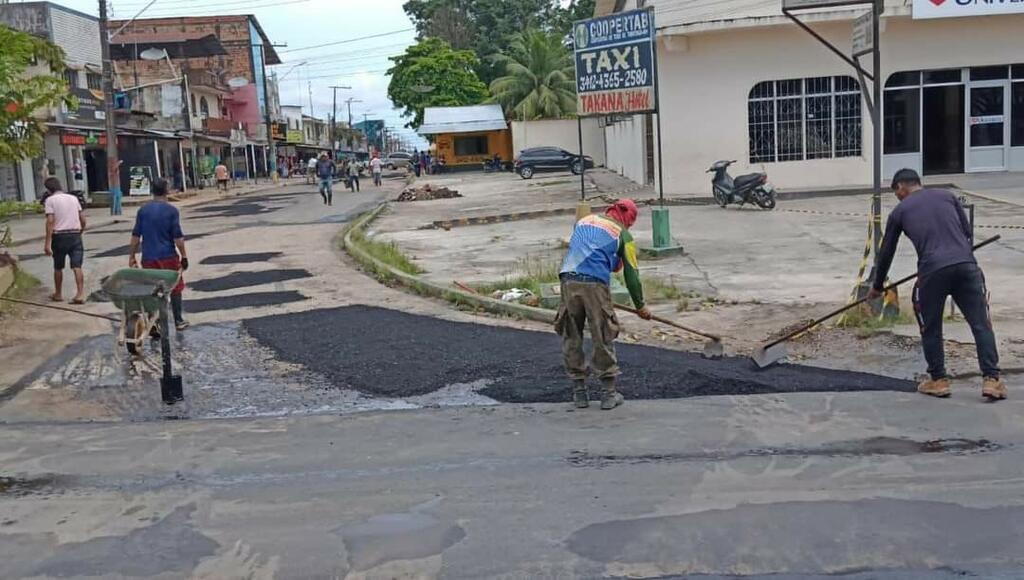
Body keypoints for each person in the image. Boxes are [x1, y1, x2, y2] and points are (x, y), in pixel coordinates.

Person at [868, 169, 1006, 401]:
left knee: (929, 325)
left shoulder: (900, 211)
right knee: (981, 324)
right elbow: (967, 233)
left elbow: (886, 252)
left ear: (901, 186)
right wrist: (959, 256)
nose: (898, 197)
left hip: (932, 272)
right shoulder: (948, 196)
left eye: (897, 192)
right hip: (967, 267)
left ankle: (938, 380)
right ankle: (992, 380)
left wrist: (877, 285)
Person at [556, 199, 652, 411]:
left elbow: (585, 246)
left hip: (567, 280)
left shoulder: (584, 220)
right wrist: (640, 305)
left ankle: (579, 393)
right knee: (602, 335)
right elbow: (632, 274)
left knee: (572, 335)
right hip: (595, 284)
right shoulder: (624, 235)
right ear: (629, 219)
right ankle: (608, 394)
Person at [128, 178, 190, 331]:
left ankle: (153, 323)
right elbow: (178, 239)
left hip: (148, 258)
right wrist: (184, 256)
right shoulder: (171, 211)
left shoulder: (143, 211)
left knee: (152, 289)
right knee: (175, 286)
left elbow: (136, 237)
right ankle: (178, 320)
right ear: (166, 191)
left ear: (152, 191)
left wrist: (131, 256)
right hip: (168, 256)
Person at [42, 177, 87, 304]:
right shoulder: (73, 198)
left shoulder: (50, 200)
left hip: (59, 237)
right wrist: (80, 231)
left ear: (48, 189)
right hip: (75, 235)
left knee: (58, 267)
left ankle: (58, 293)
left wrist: (47, 243)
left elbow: (50, 221)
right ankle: (80, 294)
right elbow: (82, 219)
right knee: (77, 266)